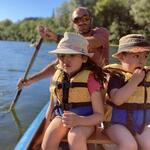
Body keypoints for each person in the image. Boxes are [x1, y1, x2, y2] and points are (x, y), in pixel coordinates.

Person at [17, 7, 109, 90]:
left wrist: (56, 37)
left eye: (85, 18)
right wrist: (30, 80)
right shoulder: (71, 43)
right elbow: (56, 65)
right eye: (76, 20)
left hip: (99, 85)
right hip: (80, 86)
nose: (81, 22)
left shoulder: (101, 32)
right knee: (56, 79)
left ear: (91, 20)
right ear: (73, 24)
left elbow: (91, 42)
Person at [41, 32, 105, 150]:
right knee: (48, 140)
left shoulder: (90, 79)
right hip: (62, 117)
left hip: (86, 120)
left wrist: (79, 120)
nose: (66, 60)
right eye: (62, 56)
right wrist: (43, 134)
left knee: (75, 136)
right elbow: (50, 110)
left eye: (71, 55)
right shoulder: (57, 77)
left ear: (84, 58)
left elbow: (100, 116)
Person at [104, 34, 150, 150]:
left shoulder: (147, 76)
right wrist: (134, 81)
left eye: (145, 56)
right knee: (129, 145)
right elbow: (117, 100)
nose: (141, 61)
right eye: (137, 56)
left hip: (141, 124)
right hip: (115, 124)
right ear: (122, 57)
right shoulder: (117, 77)